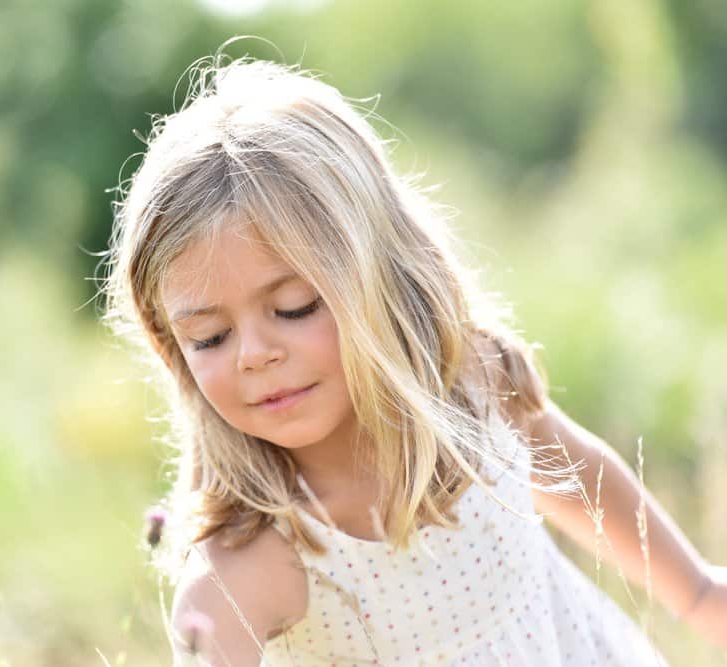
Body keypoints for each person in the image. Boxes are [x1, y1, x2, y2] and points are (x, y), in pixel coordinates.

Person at [99, 47, 726, 666]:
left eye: (293, 307)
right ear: (171, 346)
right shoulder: (254, 561)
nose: (255, 356)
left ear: (381, 275)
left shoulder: (471, 385)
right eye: (209, 337)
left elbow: (577, 470)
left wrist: (698, 592)